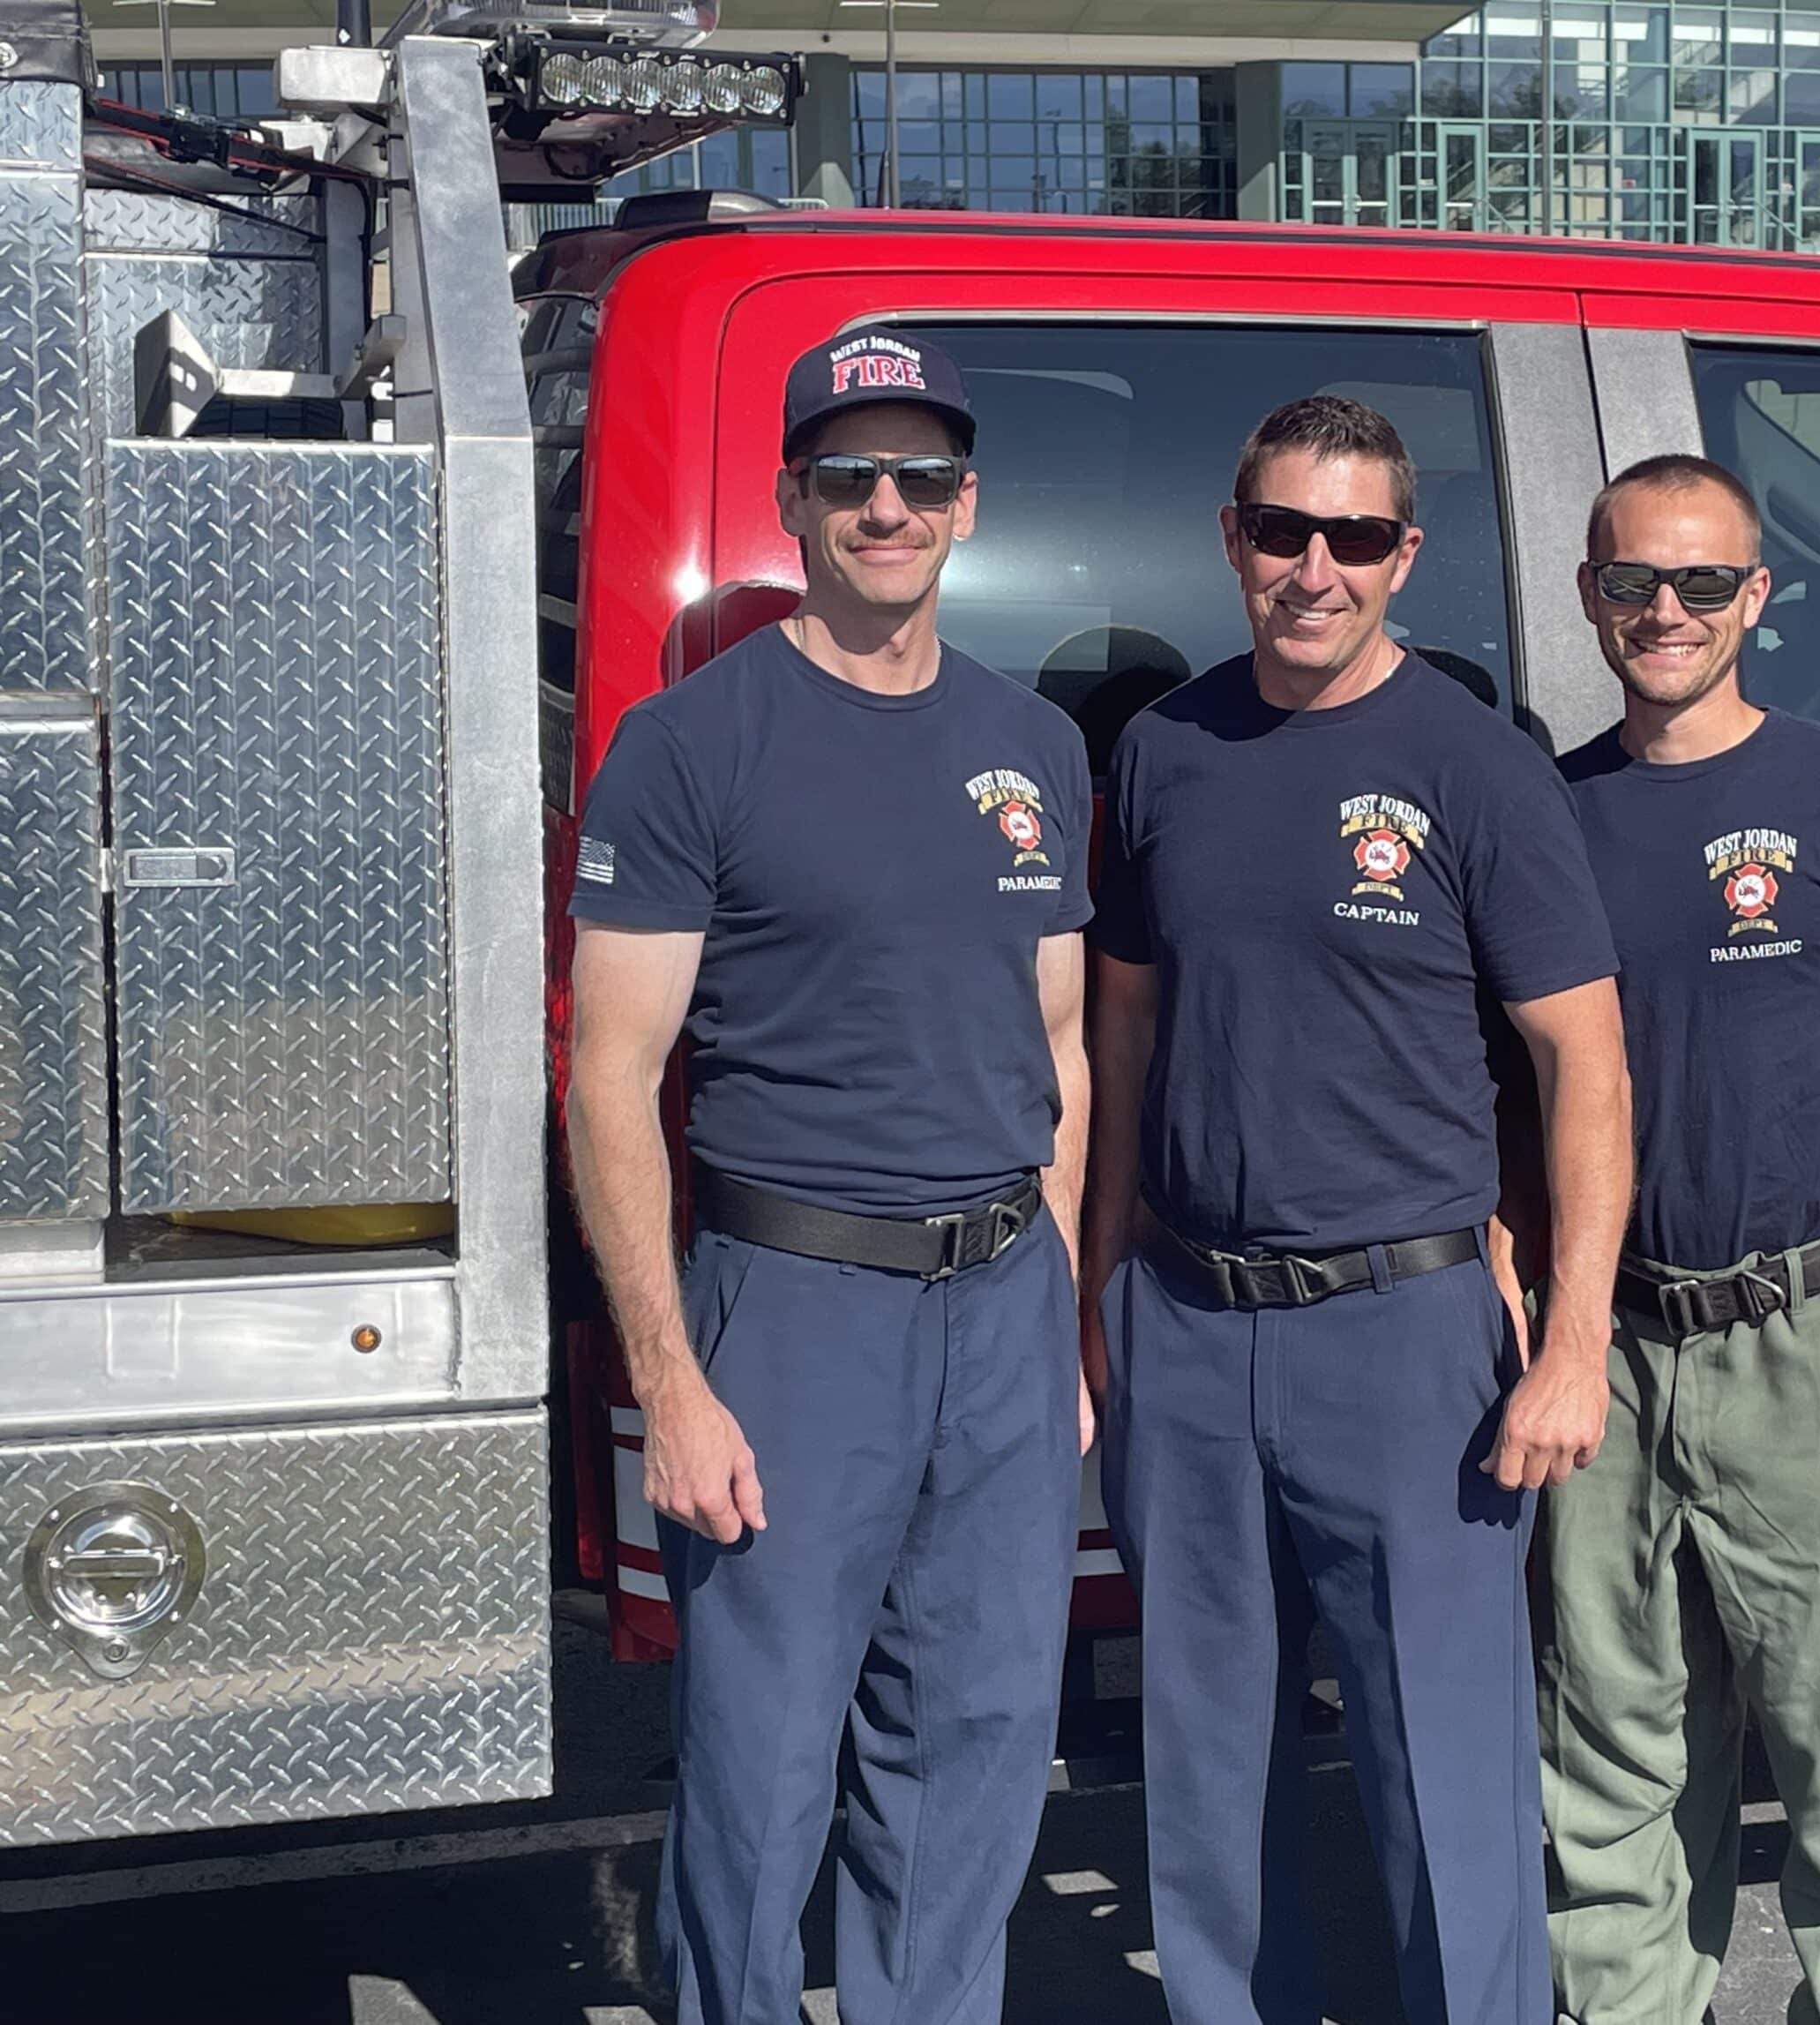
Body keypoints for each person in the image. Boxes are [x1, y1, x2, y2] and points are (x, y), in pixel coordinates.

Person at [1080, 394, 1633, 2025]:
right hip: (1184, 1321)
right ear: (1232, 537)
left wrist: (1575, 1338)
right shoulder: (1165, 751)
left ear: (1407, 557)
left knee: (1445, 1769)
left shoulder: (1475, 767)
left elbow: (1583, 1062)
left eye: (1356, 539)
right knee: (1203, 1762)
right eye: (1281, 532)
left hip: (1407, 1339)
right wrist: (1101, 1286)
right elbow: (1122, 1034)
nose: (1313, 570)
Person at [565, 323, 1095, 2025]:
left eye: (920, 475)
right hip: (793, 1309)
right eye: (849, 474)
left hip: (1004, 1302)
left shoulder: (1034, 749)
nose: (888, 503)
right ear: (791, 498)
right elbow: (612, 1073)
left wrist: (1063, 1313)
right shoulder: (694, 744)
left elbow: (1064, 1049)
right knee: (765, 1759)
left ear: (966, 505)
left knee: (980, 1741)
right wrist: (672, 1379)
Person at [1528, 454, 1820, 2025]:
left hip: (1818, 1346)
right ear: (1588, 591)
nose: (1664, 612)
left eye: (1701, 583)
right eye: (1630, 582)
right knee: (1607, 1780)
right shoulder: (1547, 813)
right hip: (1610, 1353)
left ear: (1758, 599)